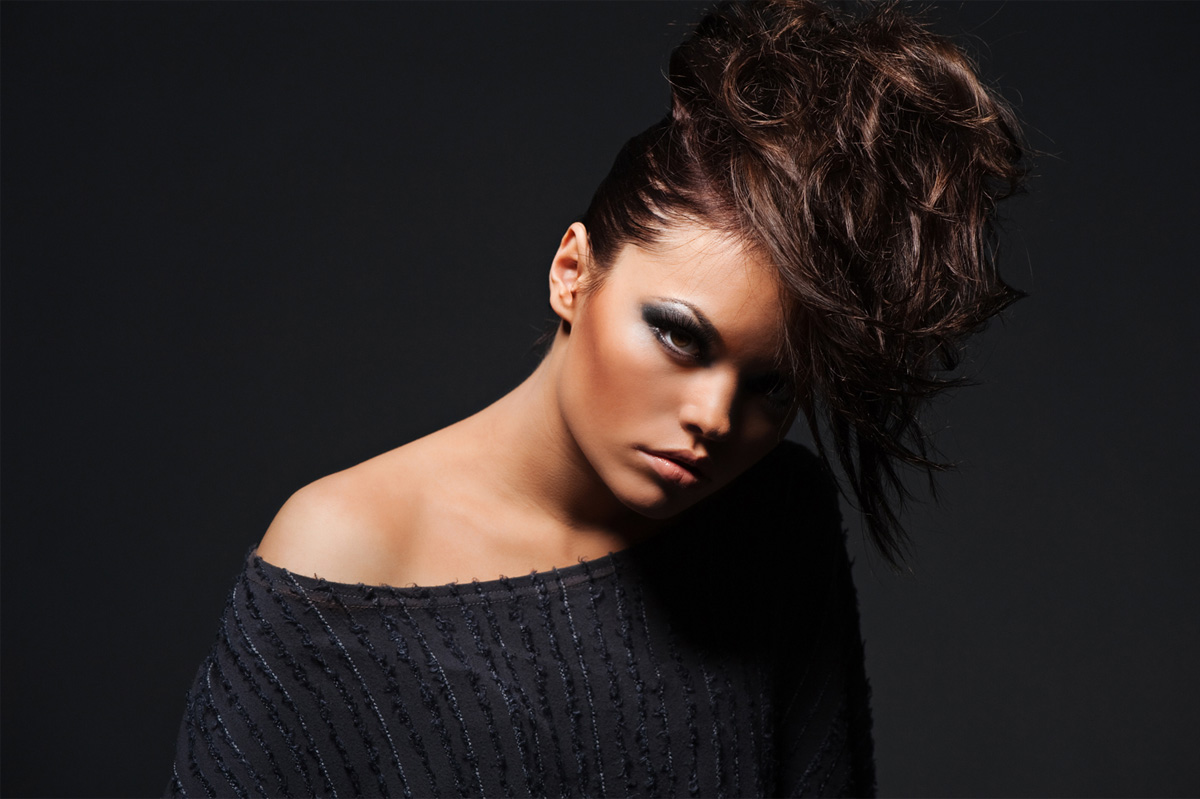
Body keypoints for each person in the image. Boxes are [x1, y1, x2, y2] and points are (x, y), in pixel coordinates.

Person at [167, 1, 1025, 796]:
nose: (715, 417)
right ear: (572, 272)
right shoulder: (345, 552)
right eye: (680, 336)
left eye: (771, 385)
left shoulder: (775, 521)